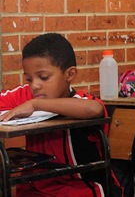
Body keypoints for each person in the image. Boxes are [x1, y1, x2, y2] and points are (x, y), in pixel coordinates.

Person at [0, 33, 123, 196]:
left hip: (82, 187)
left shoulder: (80, 100)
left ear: (69, 74)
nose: (34, 86)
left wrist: (36, 104)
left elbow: (94, 109)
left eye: (43, 77)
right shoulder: (25, 95)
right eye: (29, 79)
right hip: (36, 186)